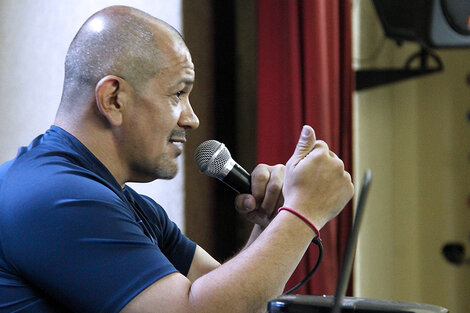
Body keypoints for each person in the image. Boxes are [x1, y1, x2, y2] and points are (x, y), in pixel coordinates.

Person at [0, 5, 354, 313]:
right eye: (178, 94)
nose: (191, 118)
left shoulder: (123, 204)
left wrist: (268, 225)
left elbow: (234, 300)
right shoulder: (58, 198)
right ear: (114, 99)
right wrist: (303, 212)